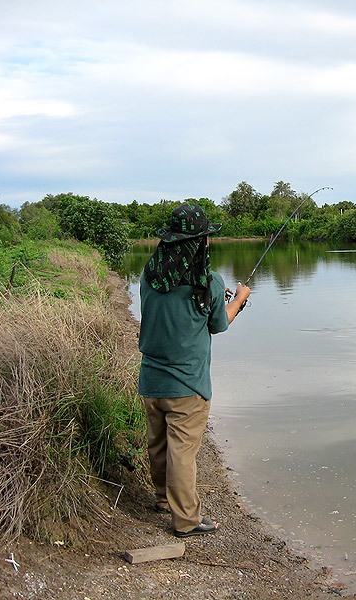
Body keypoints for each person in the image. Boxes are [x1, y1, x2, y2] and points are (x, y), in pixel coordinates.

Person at [138, 202, 250, 538]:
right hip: (188, 386)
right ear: (201, 241)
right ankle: (186, 520)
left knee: (158, 445)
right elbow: (219, 325)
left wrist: (216, 294)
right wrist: (238, 300)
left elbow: (175, 300)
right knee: (182, 453)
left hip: (151, 380)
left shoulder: (149, 274)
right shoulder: (209, 281)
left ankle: (162, 499)